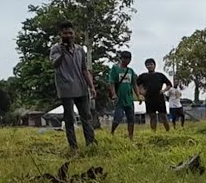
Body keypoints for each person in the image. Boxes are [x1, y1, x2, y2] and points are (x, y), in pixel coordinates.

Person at [50, 20, 98, 152]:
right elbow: (55, 64)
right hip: (66, 89)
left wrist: (91, 86)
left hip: (81, 87)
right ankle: (73, 147)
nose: (68, 35)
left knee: (86, 117)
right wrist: (63, 53)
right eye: (65, 33)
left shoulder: (80, 50)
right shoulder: (55, 49)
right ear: (61, 34)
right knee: (69, 119)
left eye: (70, 33)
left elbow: (84, 69)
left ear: (74, 34)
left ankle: (91, 143)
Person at [108, 50, 141, 140]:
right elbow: (111, 82)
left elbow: (134, 84)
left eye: (128, 59)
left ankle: (131, 137)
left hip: (129, 99)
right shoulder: (115, 69)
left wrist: (138, 95)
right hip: (119, 99)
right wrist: (114, 94)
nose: (127, 61)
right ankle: (112, 132)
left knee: (131, 119)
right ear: (121, 59)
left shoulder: (130, 71)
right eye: (125, 58)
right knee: (118, 118)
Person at [136, 58, 172, 131]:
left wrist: (164, 90)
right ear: (146, 66)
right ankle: (153, 132)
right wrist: (141, 92)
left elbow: (169, 84)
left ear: (154, 65)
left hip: (159, 98)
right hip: (149, 98)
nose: (150, 66)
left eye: (151, 64)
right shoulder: (143, 76)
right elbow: (135, 85)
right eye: (148, 65)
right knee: (152, 116)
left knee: (163, 116)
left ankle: (168, 131)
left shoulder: (160, 75)